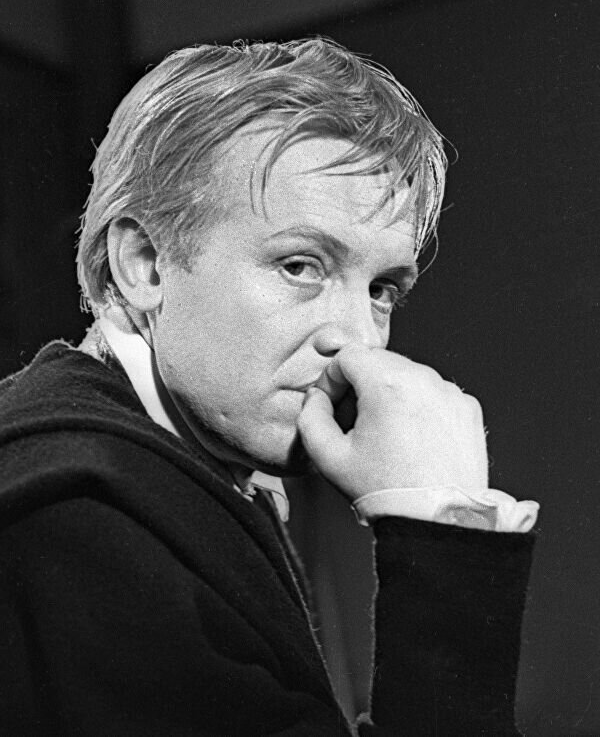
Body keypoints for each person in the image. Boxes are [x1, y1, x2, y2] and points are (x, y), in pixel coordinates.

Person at [0, 38, 539, 735]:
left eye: (381, 288)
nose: (357, 338)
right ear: (145, 265)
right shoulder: (75, 521)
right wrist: (442, 537)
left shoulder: (160, 475)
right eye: (300, 266)